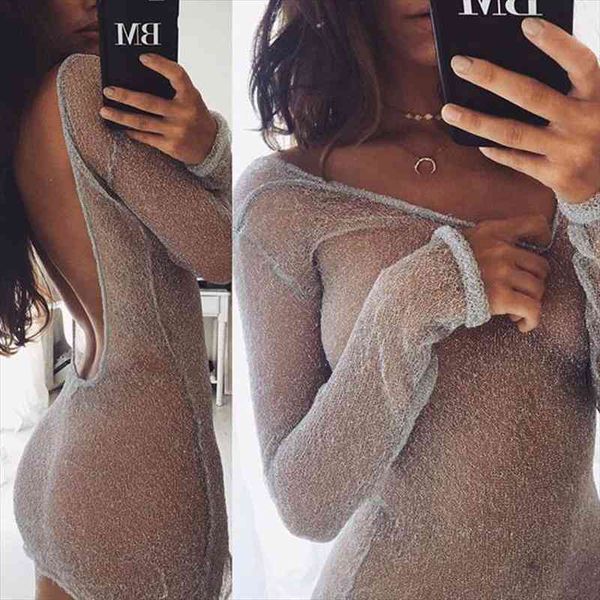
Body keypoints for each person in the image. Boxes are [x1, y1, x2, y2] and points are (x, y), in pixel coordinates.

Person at [234, 1, 600, 598]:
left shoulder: (579, 158)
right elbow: (306, 506)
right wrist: (418, 297)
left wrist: (596, 205)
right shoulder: (285, 198)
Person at [1, 1, 232, 598]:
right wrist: (212, 146)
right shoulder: (83, 86)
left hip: (64, 454)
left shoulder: (22, 108)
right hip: (136, 471)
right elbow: (225, 252)